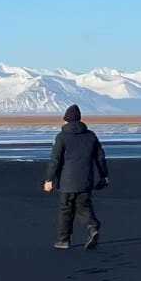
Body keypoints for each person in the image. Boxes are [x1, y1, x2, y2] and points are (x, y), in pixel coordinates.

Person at [43, 103, 109, 249]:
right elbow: (100, 157)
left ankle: (63, 240)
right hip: (86, 180)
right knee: (84, 207)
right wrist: (104, 176)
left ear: (66, 120)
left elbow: (55, 160)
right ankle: (92, 227)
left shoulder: (61, 137)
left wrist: (49, 179)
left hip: (67, 182)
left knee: (65, 209)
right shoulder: (91, 136)